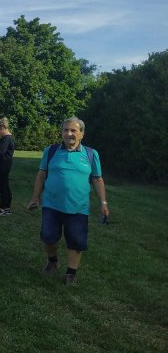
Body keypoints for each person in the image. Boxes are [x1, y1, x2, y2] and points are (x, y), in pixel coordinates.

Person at [26, 117, 110, 285]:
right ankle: (53, 261)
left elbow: (97, 179)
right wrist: (35, 196)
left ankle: (71, 273)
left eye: (73, 130)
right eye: (66, 130)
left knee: (76, 241)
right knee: (48, 237)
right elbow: (42, 174)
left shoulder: (91, 154)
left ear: (82, 134)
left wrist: (103, 203)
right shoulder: (50, 151)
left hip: (78, 207)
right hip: (51, 204)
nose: (69, 134)